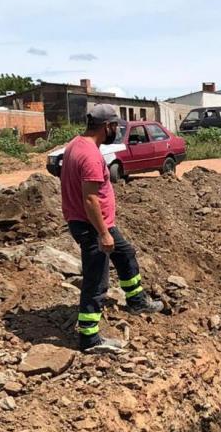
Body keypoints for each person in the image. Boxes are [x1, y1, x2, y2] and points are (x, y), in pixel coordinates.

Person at [60, 104, 162, 353]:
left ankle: (136, 301)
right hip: (92, 226)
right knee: (96, 280)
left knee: (125, 253)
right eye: (115, 126)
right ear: (107, 127)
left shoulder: (75, 144)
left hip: (94, 222)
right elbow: (90, 199)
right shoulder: (91, 156)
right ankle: (89, 338)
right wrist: (103, 233)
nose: (116, 131)